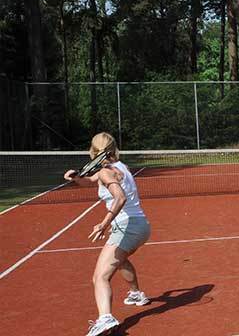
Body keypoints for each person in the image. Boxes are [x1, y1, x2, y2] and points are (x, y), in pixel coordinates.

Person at [64, 132, 152, 336]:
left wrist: (104, 223)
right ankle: (136, 294)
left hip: (127, 226)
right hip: (141, 226)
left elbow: (119, 197)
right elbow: (91, 180)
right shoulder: (120, 167)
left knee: (100, 277)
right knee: (119, 260)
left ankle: (105, 318)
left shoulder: (106, 171)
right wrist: (77, 178)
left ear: (94, 151)